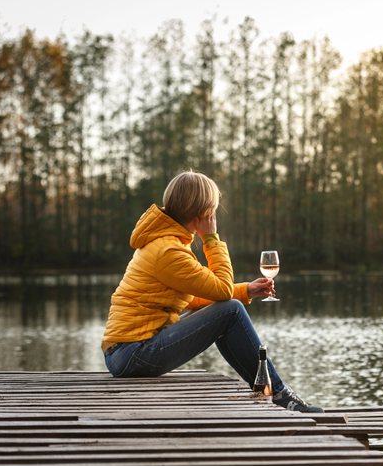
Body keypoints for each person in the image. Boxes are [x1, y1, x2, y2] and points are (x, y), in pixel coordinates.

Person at [101, 170, 322, 412]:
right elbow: (223, 291)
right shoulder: (169, 251)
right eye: (212, 210)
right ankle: (277, 393)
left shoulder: (166, 243)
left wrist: (246, 290)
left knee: (228, 310)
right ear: (204, 212)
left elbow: (193, 299)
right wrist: (212, 240)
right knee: (231, 311)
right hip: (134, 354)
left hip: (126, 353)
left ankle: (267, 388)